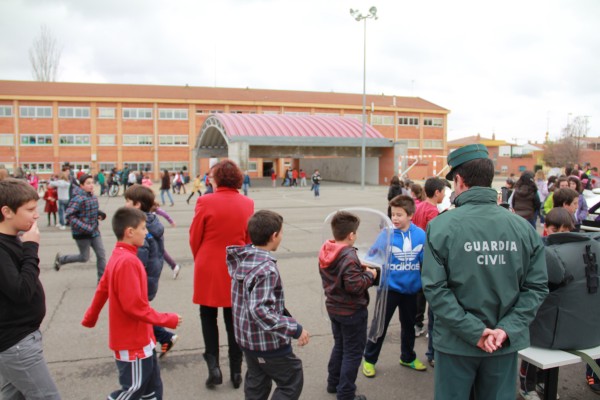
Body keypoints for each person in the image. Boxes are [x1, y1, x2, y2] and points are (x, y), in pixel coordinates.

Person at [421, 144, 548, 400]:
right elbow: (536, 287)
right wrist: (505, 330)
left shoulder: (441, 226)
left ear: (458, 180)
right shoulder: (523, 228)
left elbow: (435, 288)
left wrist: (474, 331)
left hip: (457, 344)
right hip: (502, 344)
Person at [81, 206, 182, 400]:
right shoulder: (128, 261)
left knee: (152, 390)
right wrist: (167, 319)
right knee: (132, 391)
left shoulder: (119, 255)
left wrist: (90, 317)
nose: (146, 232)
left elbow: (102, 289)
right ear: (130, 232)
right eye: (143, 228)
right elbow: (134, 307)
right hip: (133, 343)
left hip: (142, 340)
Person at [227, 210, 310, 400]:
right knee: (291, 379)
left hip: (247, 340)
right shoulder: (266, 268)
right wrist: (294, 329)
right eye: (281, 233)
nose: (281, 236)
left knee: (257, 381)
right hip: (266, 344)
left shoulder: (245, 260)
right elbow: (260, 309)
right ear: (274, 236)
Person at [189, 160, 254, 389]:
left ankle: (214, 367)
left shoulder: (204, 201)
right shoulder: (247, 203)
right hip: (235, 265)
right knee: (233, 319)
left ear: (218, 179)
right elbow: (248, 239)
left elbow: (195, 235)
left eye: (212, 176)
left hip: (208, 264)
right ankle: (236, 371)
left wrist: (201, 258)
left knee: (207, 316)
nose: (209, 179)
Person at [0, 178, 61, 399]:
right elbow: (22, 292)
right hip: (16, 343)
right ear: (7, 211)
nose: (36, 215)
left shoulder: (13, 238)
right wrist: (31, 248)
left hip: (21, 338)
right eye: (30, 210)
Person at [362, 195, 428, 378]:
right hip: (388, 290)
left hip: (411, 291)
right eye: (393, 214)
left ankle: (407, 357)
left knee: (409, 326)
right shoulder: (386, 235)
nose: (395, 218)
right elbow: (372, 257)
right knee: (379, 326)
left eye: (400, 214)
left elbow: (425, 263)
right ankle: (369, 359)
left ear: (410, 215)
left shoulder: (421, 235)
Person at [319, 211, 377, 400]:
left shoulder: (328, 249)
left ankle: (333, 382)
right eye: (356, 233)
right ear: (351, 235)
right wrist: (370, 275)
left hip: (334, 307)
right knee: (352, 352)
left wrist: (359, 268)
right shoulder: (349, 256)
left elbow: (343, 274)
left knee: (340, 346)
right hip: (351, 311)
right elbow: (355, 286)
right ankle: (346, 394)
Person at [519, 207, 574, 400]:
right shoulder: (538, 247)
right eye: (554, 229)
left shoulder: (570, 251)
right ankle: (527, 385)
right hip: (538, 307)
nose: (559, 234)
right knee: (533, 351)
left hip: (556, 309)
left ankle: (544, 382)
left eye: (565, 230)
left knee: (551, 353)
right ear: (546, 229)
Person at [124, 184, 179, 357]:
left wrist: (128, 279)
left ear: (137, 205)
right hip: (149, 278)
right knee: (139, 312)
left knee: (137, 313)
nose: (125, 204)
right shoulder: (151, 222)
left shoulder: (141, 229)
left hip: (142, 280)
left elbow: (138, 260)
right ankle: (162, 339)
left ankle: (162, 338)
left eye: (128, 201)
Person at [411, 177, 447, 364]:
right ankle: (429, 342)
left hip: (415, 254)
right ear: (437, 192)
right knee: (429, 295)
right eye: (443, 191)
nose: (444, 195)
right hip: (427, 256)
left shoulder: (418, 206)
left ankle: (417, 324)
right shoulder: (433, 211)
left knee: (419, 292)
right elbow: (436, 236)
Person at [53, 174, 107, 283]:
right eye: (88, 183)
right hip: (82, 234)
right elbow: (69, 215)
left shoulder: (92, 196)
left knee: (101, 255)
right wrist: (85, 227)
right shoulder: (78, 198)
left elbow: (92, 211)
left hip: (95, 232)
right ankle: (61, 259)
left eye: (92, 183)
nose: (91, 185)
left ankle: (102, 281)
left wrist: (100, 214)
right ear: (81, 185)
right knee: (84, 258)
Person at [154, 206, 182, 280]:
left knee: (160, 250)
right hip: (151, 233)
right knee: (159, 250)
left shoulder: (148, 206)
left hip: (153, 233)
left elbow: (163, 213)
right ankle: (174, 266)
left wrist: (171, 221)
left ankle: (174, 266)